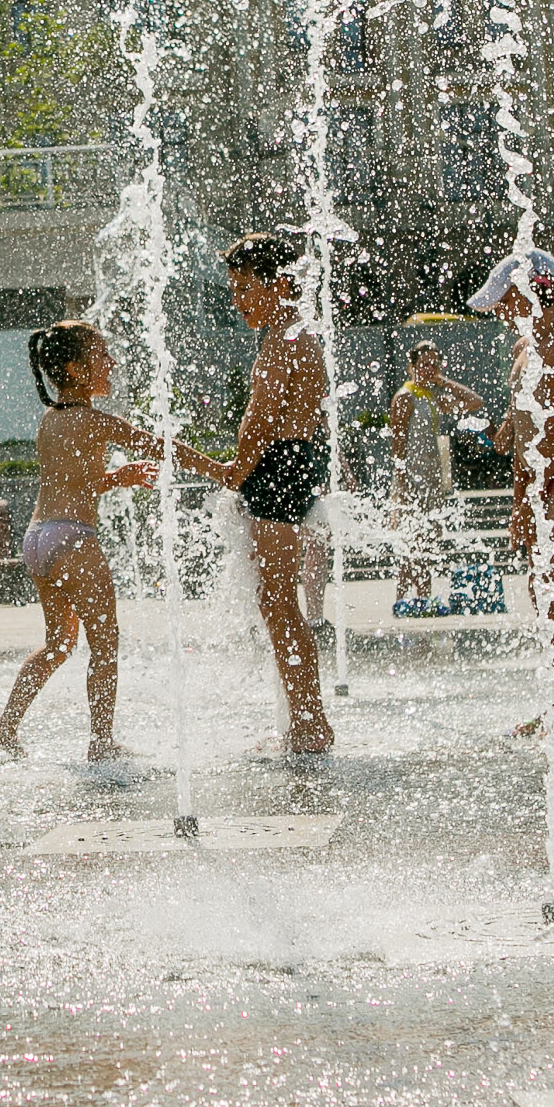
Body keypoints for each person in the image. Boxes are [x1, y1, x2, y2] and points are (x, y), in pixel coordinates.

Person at [0, 320, 216, 760]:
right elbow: (162, 447)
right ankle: (101, 742)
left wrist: (116, 477)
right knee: (105, 644)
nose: (110, 362)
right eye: (101, 355)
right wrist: (221, 471)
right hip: (74, 541)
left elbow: (73, 481)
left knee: (58, 644)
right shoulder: (95, 420)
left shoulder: (50, 420)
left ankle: (5, 725)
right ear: (74, 368)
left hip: (39, 539)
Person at [466, 247, 554, 738]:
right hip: (553, 474)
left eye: (504, 302)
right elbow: (541, 418)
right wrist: (510, 425)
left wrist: (524, 503)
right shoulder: (532, 344)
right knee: (547, 595)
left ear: (526, 295)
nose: (501, 313)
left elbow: (547, 441)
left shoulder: (551, 348)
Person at [213, 231, 340, 755]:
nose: (239, 301)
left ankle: (310, 723)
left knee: (280, 607)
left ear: (281, 283)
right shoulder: (294, 336)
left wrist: (218, 464)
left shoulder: (285, 341)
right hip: (289, 466)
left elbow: (253, 433)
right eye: (234, 291)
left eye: (245, 289)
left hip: (279, 470)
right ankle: (302, 719)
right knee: (277, 605)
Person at [388, 342, 483, 611]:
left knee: (427, 540)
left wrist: (442, 381)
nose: (429, 369)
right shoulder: (405, 397)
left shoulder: (431, 396)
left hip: (431, 481)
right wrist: (401, 485)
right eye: (424, 364)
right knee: (413, 541)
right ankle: (408, 598)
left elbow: (474, 401)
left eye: (434, 364)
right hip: (411, 482)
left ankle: (417, 597)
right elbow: (397, 445)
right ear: (411, 367)